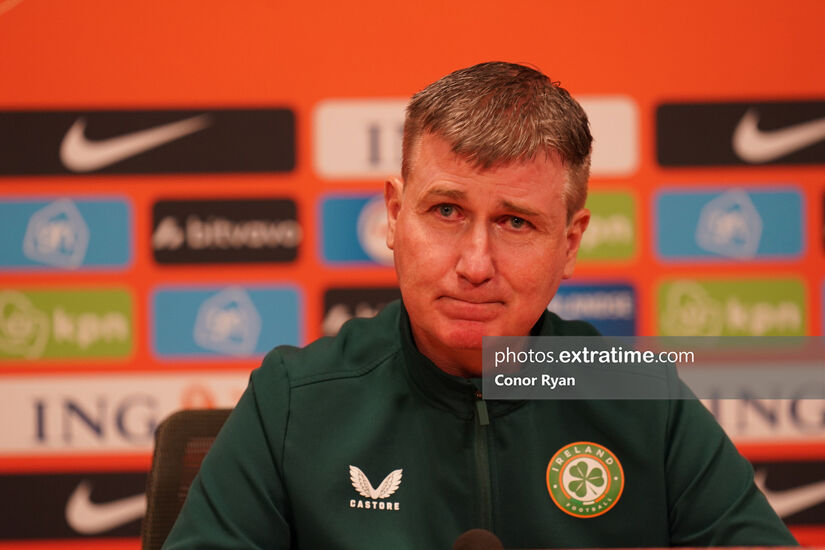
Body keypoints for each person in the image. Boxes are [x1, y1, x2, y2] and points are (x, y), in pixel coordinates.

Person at [163, 62, 796, 548]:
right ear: (393, 215)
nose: (474, 264)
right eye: (446, 212)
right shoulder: (294, 399)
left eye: (516, 223)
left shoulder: (639, 395)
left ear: (569, 244)